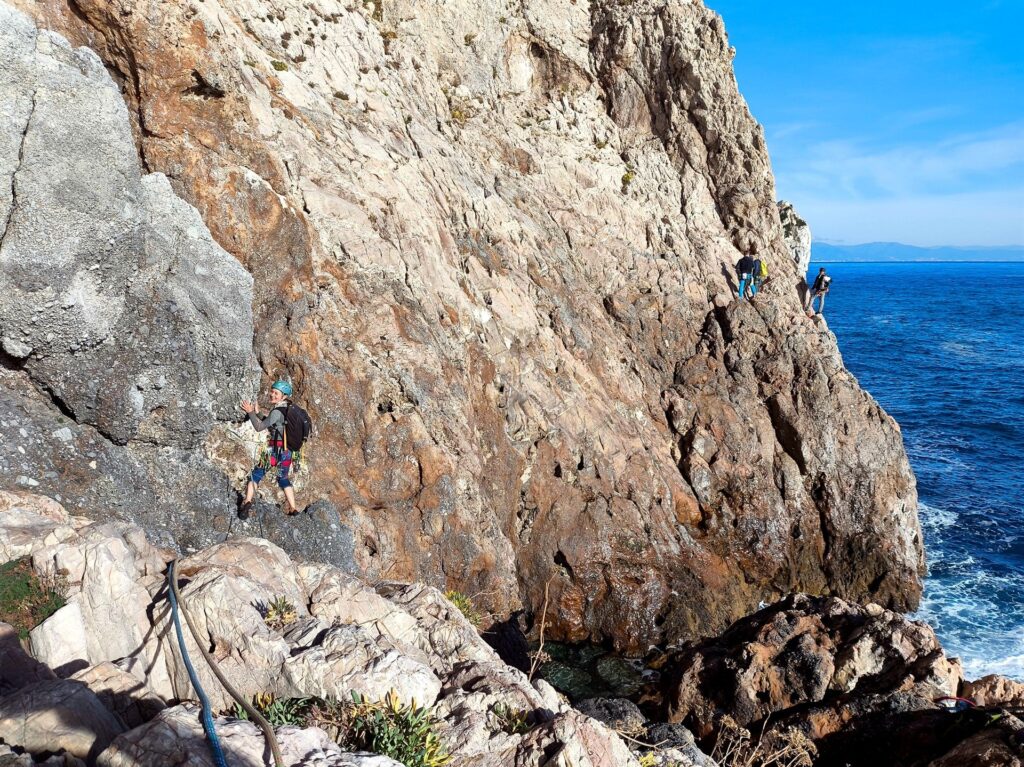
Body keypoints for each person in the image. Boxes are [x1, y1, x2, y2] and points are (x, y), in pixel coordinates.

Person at [239, 380, 300, 517]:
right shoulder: (288, 410)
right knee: (283, 478)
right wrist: (259, 414)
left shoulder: (277, 411)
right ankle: (293, 508)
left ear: (284, 396)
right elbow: (275, 424)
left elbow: (259, 427)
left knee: (257, 474)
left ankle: (247, 501)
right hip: (287, 452)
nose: (272, 394)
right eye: (272, 391)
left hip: (274, 451)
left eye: (276, 393)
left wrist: (250, 412)